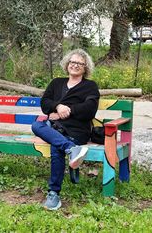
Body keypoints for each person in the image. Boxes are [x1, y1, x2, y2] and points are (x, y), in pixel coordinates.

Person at [31, 49, 100, 211]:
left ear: (85, 68)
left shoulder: (90, 87)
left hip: (76, 131)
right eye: (72, 62)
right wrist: (57, 106)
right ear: (67, 64)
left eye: (80, 64)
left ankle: (53, 194)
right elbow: (45, 103)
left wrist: (66, 111)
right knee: (36, 125)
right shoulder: (56, 83)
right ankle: (71, 149)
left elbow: (90, 109)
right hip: (54, 129)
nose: (75, 65)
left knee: (56, 147)